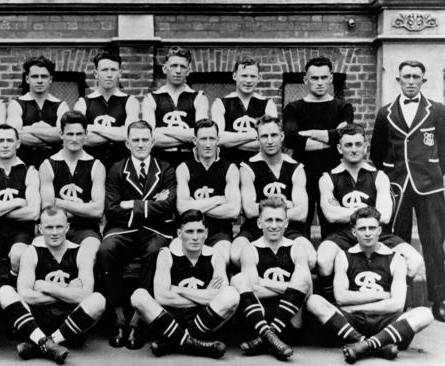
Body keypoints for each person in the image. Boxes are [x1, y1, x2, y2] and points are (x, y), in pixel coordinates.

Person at [371, 60, 445, 322]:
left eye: (416, 76)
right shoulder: (385, 113)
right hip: (398, 187)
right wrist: (391, 173)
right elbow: (376, 151)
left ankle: (438, 301)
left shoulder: (436, 111)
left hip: (429, 186)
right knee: (398, 242)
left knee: (434, 244)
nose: (410, 81)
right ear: (398, 80)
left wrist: (432, 170)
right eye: (406, 76)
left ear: (423, 81)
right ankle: (401, 298)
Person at [306, 207, 433, 364]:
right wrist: (381, 296)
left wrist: (354, 307)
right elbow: (341, 297)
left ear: (379, 230)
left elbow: (397, 305)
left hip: (386, 322)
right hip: (354, 323)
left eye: (372, 228)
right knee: (313, 301)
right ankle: (375, 345)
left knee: (425, 314)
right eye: (362, 228)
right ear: (353, 232)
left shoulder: (396, 259)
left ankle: (365, 345)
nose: (367, 233)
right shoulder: (343, 257)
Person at [316, 124, 423, 301]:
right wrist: (369, 211)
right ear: (339, 148)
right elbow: (330, 215)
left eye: (358, 144)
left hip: (377, 232)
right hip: (343, 234)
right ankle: (333, 303)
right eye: (348, 145)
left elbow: (385, 215)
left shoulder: (379, 176)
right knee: (324, 261)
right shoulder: (328, 178)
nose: (354, 149)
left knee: (415, 260)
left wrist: (344, 211)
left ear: (365, 147)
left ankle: (393, 298)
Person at [99, 120, 177, 348]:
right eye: (136, 140)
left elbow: (169, 206)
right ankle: (118, 317)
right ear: (127, 142)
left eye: (145, 140)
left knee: (157, 251)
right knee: (106, 249)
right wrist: (150, 206)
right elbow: (112, 209)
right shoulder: (116, 169)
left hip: (156, 230)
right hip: (123, 228)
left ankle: (138, 320)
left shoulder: (165, 168)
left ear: (153, 142)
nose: (140, 144)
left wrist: (130, 204)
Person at [0, 206, 106, 364]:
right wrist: (68, 292)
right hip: (36, 321)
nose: (54, 232)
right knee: (4, 291)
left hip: (69, 323)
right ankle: (47, 343)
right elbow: (25, 295)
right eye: (49, 227)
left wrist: (47, 287)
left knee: (98, 300)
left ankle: (43, 344)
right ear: (40, 229)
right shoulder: (31, 252)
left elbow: (85, 295)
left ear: (67, 227)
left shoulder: (81, 253)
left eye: (59, 226)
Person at [130, 209, 239, 358]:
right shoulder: (166, 254)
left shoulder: (215, 255)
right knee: (138, 296)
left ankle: (173, 341)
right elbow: (162, 297)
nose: (195, 237)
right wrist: (205, 296)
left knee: (232, 295)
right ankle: (192, 343)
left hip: (202, 318)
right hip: (170, 316)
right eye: (189, 232)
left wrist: (177, 289)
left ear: (206, 233)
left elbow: (221, 295)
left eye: (200, 231)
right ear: (179, 234)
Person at [231, 197, 312, 360]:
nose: (274, 225)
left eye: (278, 220)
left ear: (287, 223)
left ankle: (267, 337)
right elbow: (252, 290)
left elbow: (307, 290)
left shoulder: (297, 248)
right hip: (258, 321)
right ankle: (268, 336)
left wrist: (262, 282)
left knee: (303, 279)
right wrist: (291, 290)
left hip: (290, 325)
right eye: (269, 220)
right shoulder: (250, 249)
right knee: (239, 279)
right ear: (260, 223)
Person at [230, 116, 315, 271]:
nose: (269, 141)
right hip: (256, 226)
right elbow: (249, 211)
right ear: (257, 138)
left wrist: (263, 207)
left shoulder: (296, 168)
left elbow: (302, 213)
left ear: (281, 136)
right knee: (236, 255)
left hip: (288, 227)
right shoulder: (247, 167)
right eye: (264, 136)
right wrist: (287, 205)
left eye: (274, 135)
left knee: (311, 257)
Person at [283, 56, 354, 238]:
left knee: (333, 229)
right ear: (305, 80)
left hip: (334, 175)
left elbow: (345, 136)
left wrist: (310, 133)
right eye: (314, 78)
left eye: (324, 78)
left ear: (331, 78)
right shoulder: (293, 108)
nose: (320, 82)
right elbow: (291, 140)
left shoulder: (343, 107)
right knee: (301, 227)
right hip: (303, 175)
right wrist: (331, 138)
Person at [0, 124, 40, 287]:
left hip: (20, 232)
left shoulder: (30, 171)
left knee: (19, 255)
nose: (5, 144)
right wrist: (17, 203)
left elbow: (33, 213)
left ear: (18, 143)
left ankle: (12, 292)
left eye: (9, 140)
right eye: (0, 140)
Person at [38, 111, 105, 261]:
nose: (74, 139)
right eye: (69, 134)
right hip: (55, 229)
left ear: (86, 134)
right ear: (61, 134)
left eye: (79, 134)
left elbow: (97, 211)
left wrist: (60, 203)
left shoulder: (96, 166)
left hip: (86, 229)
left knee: (90, 253)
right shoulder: (48, 165)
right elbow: (48, 210)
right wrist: (84, 208)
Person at [175, 119, 240, 263]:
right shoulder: (184, 168)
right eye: (203, 139)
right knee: (178, 256)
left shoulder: (230, 169)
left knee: (223, 257)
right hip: (190, 230)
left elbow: (234, 210)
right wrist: (217, 200)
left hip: (219, 232)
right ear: (194, 140)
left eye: (212, 138)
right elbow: (181, 208)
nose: (208, 144)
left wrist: (193, 205)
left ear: (218, 140)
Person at [142, 46, 209, 166]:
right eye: (174, 66)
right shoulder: (151, 99)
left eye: (182, 67)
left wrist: (163, 130)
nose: (178, 71)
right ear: (164, 69)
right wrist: (188, 137)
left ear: (188, 71)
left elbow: (201, 136)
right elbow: (149, 139)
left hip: (191, 161)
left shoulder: (199, 98)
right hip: (159, 161)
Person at [73, 51, 140, 168]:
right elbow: (80, 138)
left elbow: (130, 135)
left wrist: (91, 127)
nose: (109, 75)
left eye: (113, 70)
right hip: (89, 166)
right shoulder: (83, 103)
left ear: (120, 73)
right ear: (95, 73)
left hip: (122, 167)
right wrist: (118, 132)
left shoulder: (130, 101)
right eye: (104, 70)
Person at [211, 57, 278, 165]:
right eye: (244, 76)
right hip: (228, 165)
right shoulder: (220, 104)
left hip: (259, 166)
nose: (248, 80)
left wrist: (231, 141)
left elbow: (270, 142)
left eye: (252, 76)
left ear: (259, 78)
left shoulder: (268, 104)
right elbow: (218, 139)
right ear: (234, 76)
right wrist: (251, 136)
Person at [7, 55, 69, 168]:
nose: (39, 80)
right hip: (24, 165)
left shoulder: (61, 105)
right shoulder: (16, 104)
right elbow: (14, 136)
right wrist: (50, 135)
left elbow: (63, 135)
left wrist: (29, 129)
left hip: (55, 166)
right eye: (35, 76)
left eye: (44, 76)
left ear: (50, 79)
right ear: (27, 79)